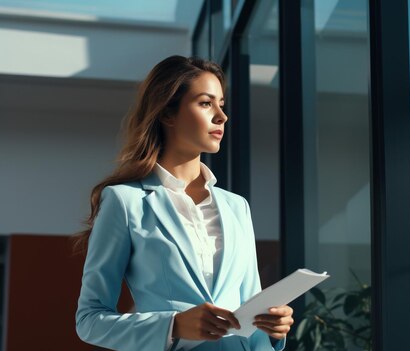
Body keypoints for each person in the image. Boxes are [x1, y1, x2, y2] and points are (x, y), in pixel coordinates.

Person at [72, 55, 293, 351]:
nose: (221, 116)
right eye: (205, 103)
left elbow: (248, 308)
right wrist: (174, 325)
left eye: (222, 105)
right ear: (168, 113)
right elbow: (90, 320)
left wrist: (273, 328)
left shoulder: (236, 206)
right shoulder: (125, 201)